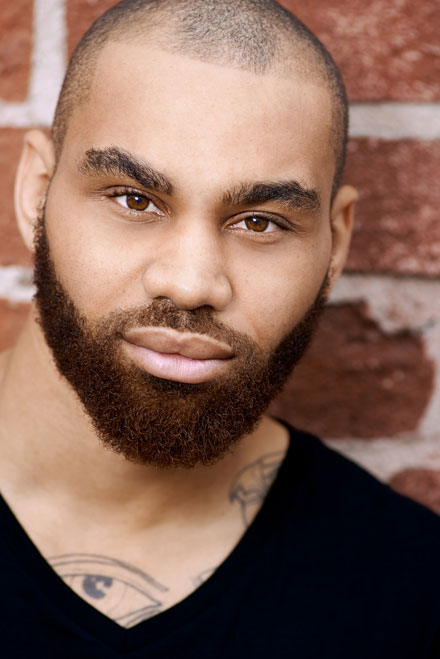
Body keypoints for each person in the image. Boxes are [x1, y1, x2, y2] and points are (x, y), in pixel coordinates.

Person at [0, 0, 439, 656]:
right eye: (134, 199)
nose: (192, 282)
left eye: (260, 222)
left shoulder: (416, 594)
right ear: (37, 192)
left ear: (336, 243)